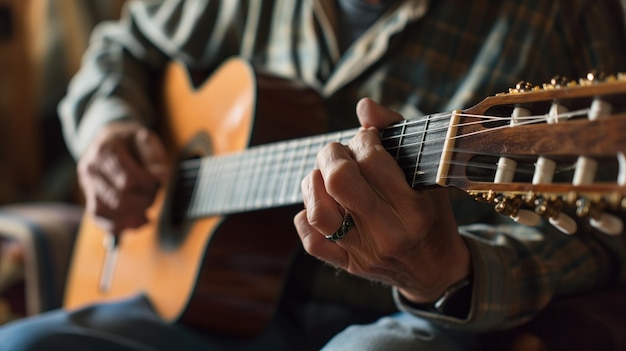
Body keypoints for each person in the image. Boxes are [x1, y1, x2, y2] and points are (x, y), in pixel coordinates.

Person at [1, 0, 626, 350]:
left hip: (400, 323)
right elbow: (123, 45)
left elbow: (605, 237)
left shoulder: (557, 15)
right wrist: (108, 128)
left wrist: (445, 274)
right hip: (204, 310)